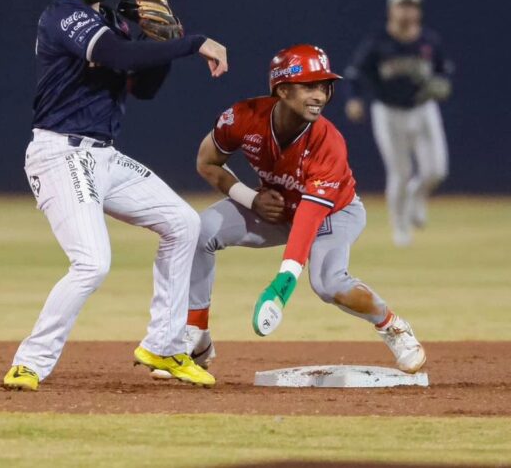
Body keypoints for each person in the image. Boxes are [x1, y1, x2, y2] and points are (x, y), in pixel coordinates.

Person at [2, 0, 227, 391]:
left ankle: (164, 346)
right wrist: (191, 42)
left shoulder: (108, 21)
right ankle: (29, 362)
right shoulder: (63, 17)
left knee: (183, 224)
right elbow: (117, 54)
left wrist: (155, 41)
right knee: (92, 263)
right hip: (60, 154)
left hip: (103, 157)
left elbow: (142, 87)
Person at [182, 44, 426, 374]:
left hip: (333, 213)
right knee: (200, 230)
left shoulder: (329, 142)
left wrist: (283, 284)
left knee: (328, 283)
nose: (320, 95)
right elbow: (206, 161)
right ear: (282, 90)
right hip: (279, 207)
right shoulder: (244, 117)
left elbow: (309, 218)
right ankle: (197, 335)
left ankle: (392, 326)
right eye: (309, 86)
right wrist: (250, 199)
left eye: (325, 86)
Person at [344, 0, 452, 247]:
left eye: (411, 7)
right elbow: (354, 74)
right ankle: (400, 228)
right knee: (399, 172)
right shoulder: (378, 43)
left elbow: (444, 70)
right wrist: (354, 99)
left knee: (436, 170)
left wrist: (442, 82)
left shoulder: (428, 41)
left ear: (418, 12)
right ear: (391, 10)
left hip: (423, 109)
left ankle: (417, 195)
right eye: (402, 6)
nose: (406, 12)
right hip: (388, 112)